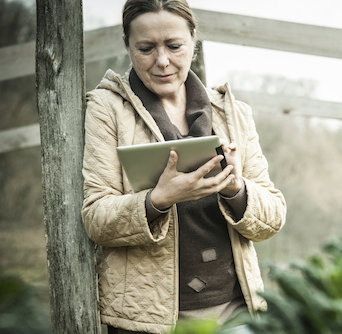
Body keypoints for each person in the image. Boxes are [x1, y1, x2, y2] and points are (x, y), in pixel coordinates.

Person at [81, 1, 286, 333]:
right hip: (147, 323)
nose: (162, 61)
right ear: (127, 45)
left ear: (193, 42)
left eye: (174, 46)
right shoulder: (106, 110)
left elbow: (273, 217)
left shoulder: (233, 114)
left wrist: (236, 188)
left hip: (235, 316)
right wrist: (157, 200)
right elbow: (96, 218)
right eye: (146, 48)